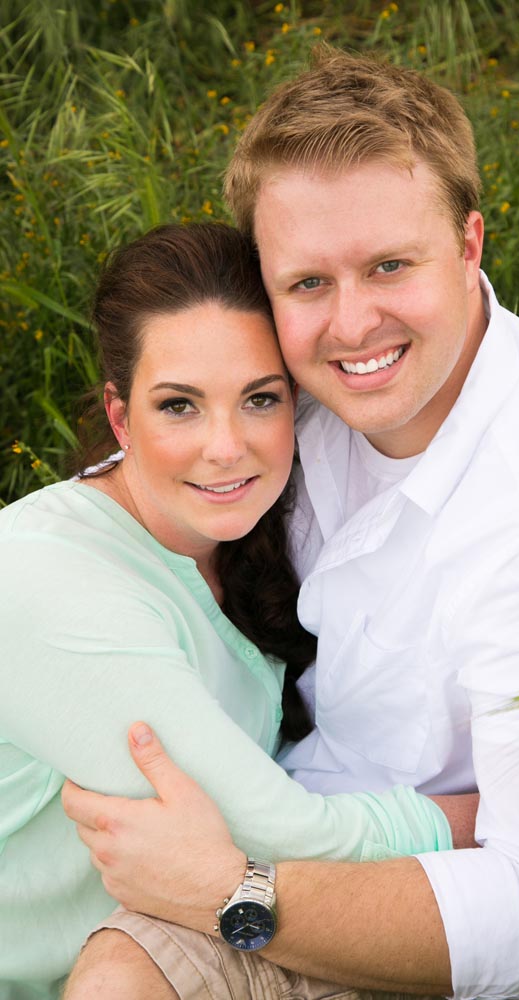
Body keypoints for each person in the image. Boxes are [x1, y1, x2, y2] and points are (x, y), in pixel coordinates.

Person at [62, 48, 519, 1000]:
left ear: (470, 246)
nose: (351, 327)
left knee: (117, 982)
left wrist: (229, 891)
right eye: (306, 283)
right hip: (260, 787)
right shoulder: (293, 392)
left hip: (402, 887)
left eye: (389, 265)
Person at [0, 221, 462, 1000]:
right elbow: (277, 834)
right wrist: (504, 813)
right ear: (120, 418)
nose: (226, 447)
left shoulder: (254, 540)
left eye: (259, 399)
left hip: (157, 947)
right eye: (179, 405)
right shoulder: (42, 575)